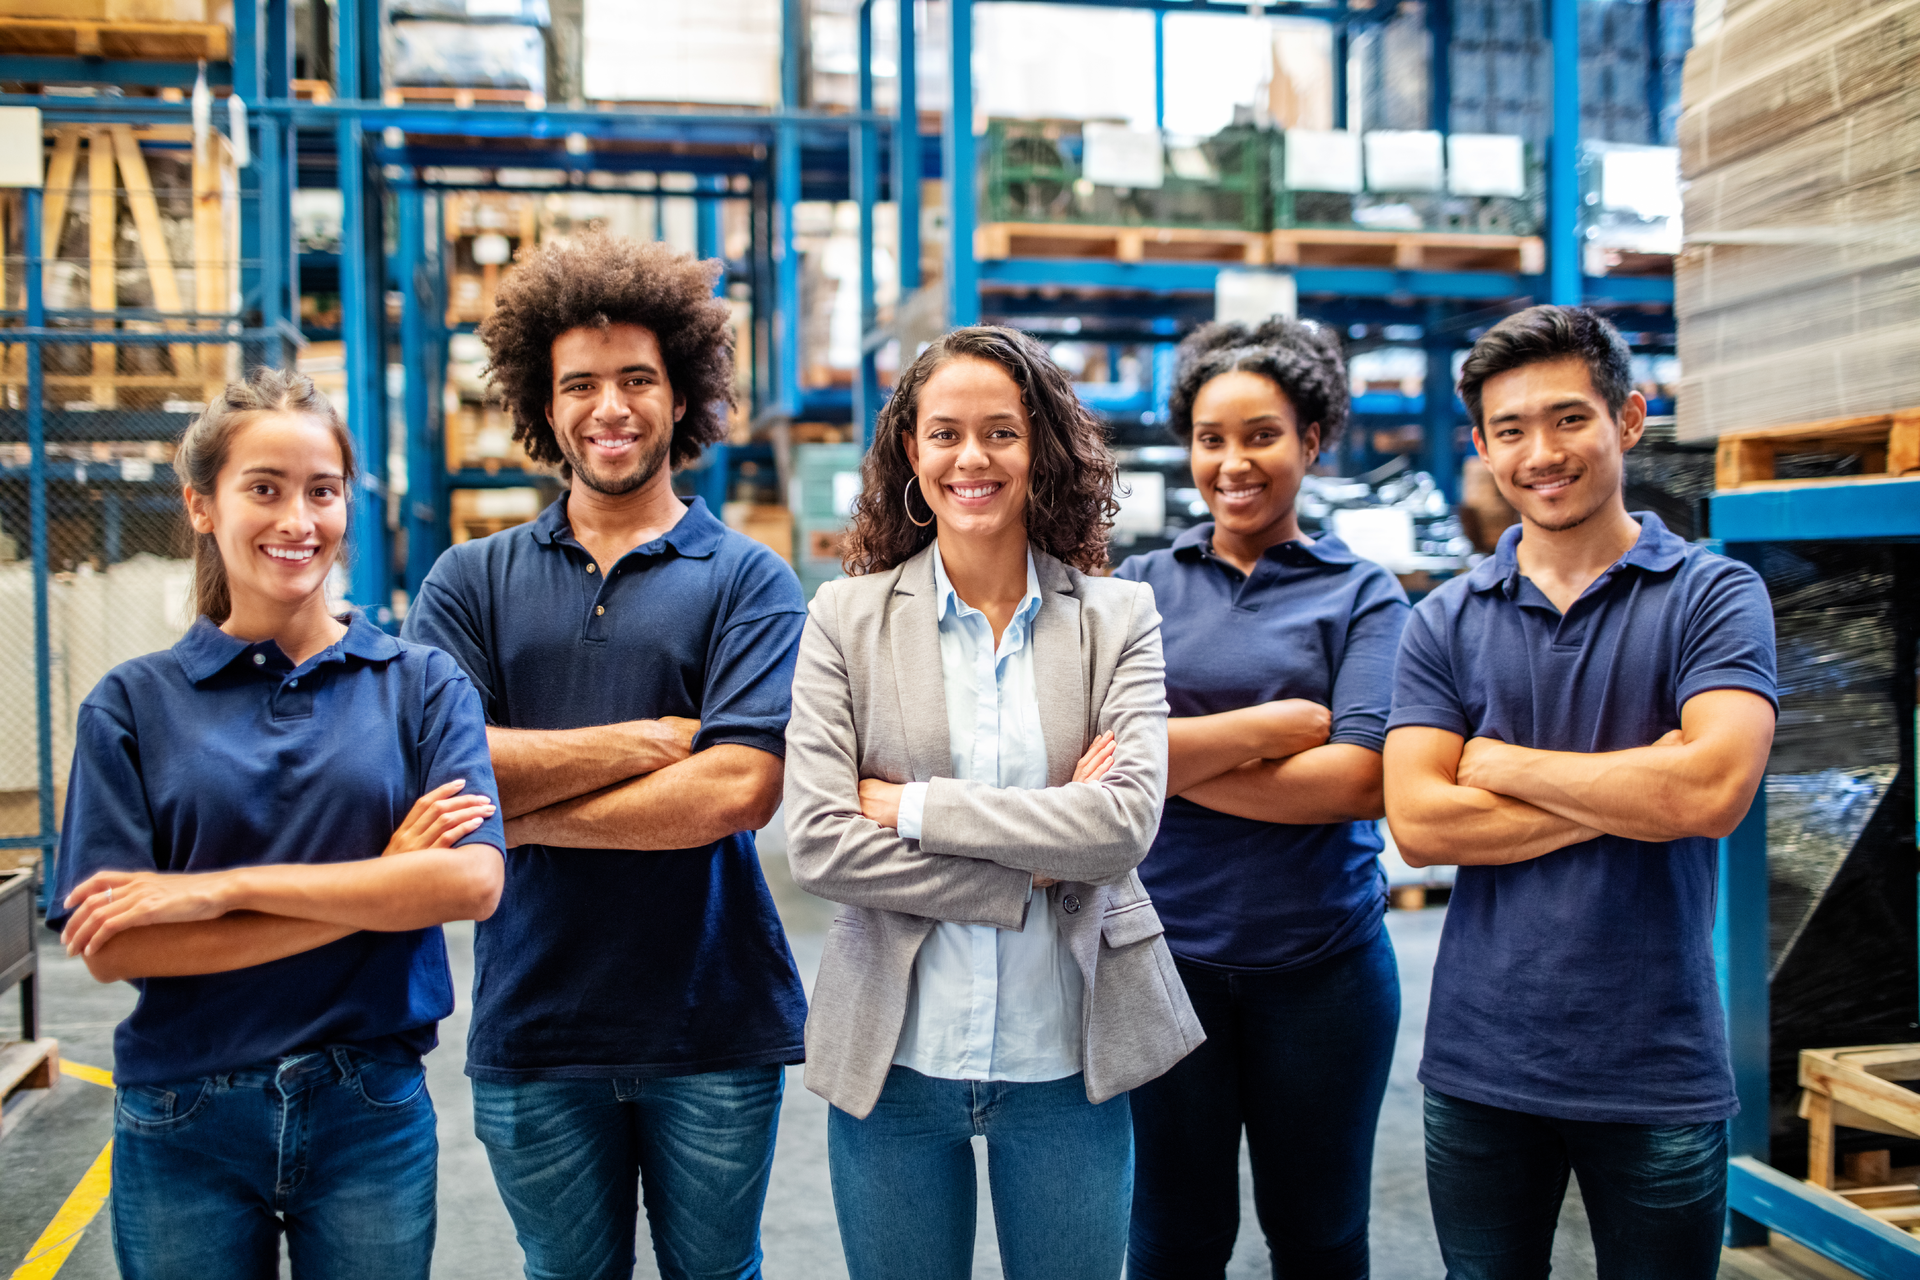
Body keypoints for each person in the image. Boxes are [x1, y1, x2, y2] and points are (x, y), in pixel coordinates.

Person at [400, 233, 807, 1280]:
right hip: (536, 1022)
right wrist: (649, 741)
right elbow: (441, 770)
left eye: (636, 379)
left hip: (713, 1021)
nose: (608, 407)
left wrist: (522, 813)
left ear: (682, 395)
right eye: (579, 384)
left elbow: (737, 788)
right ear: (544, 405)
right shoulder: (469, 580)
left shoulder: (749, 579)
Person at [50, 368, 507, 1280]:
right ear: (201, 505)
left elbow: (469, 881)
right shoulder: (132, 704)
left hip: (367, 1108)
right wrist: (383, 882)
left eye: (322, 491)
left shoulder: (422, 685)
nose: (298, 520)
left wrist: (217, 892)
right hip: (183, 1115)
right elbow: (116, 946)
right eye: (264, 489)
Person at [782, 325, 1204, 1280]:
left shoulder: (1118, 617)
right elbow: (819, 844)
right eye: (944, 434)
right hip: (898, 1058)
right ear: (911, 452)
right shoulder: (844, 619)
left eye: (1000, 432)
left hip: (1067, 1056)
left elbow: (1122, 824)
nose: (971, 458)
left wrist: (913, 809)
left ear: (1039, 448)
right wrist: (1031, 869)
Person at [1382, 305, 1777, 1280]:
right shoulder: (1444, 620)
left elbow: (1711, 791)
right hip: (1482, 1065)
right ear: (1482, 447)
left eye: (1568, 419)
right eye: (1510, 429)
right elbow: (1421, 823)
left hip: (1659, 1065)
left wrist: (1501, 764)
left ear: (1628, 419)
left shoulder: (1715, 595)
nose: (1541, 453)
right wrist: (1640, 783)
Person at [1114, 318, 1408, 1280]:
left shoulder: (1364, 595)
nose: (1233, 463)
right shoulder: (1137, 589)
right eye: (1211, 439)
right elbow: (1093, 766)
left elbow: (1361, 780)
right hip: (1163, 965)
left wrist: (1169, 763)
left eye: (1261, 435)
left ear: (1312, 441)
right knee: (1173, 1240)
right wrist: (1272, 729)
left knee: (1319, 1239)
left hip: (1324, 971)